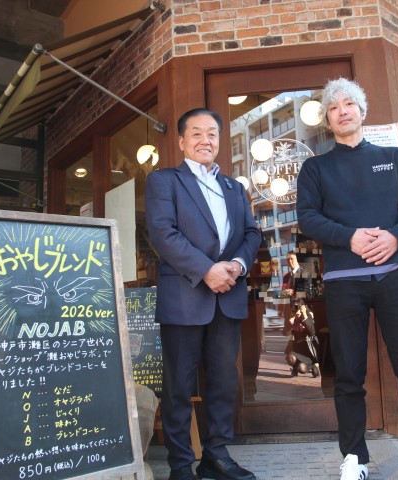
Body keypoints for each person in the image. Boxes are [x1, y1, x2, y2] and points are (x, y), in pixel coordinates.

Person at [296, 78, 398, 480]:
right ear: (327, 120)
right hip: (344, 282)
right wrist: (349, 236)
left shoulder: (394, 158)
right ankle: (354, 458)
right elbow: (307, 218)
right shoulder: (315, 168)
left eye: (348, 104)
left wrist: (396, 236)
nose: (342, 111)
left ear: (361, 111)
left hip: (394, 276)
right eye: (333, 107)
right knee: (348, 373)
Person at [145, 108, 262, 480]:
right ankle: (181, 464)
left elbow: (252, 234)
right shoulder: (164, 181)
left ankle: (216, 455)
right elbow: (163, 233)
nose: (205, 140)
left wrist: (237, 266)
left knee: (223, 382)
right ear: (181, 142)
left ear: (219, 141)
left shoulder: (234, 188)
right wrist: (207, 270)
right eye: (196, 133)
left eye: (212, 133)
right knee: (179, 385)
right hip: (184, 297)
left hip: (228, 296)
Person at [282, 298, 320, 377]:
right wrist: (290, 323)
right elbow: (285, 333)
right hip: (297, 348)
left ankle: (312, 365)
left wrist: (305, 316)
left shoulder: (309, 314)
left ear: (302, 307)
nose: (296, 310)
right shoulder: (291, 315)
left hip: (308, 349)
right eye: (294, 307)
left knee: (302, 369)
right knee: (290, 358)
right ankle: (295, 368)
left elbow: (312, 332)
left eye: (298, 307)